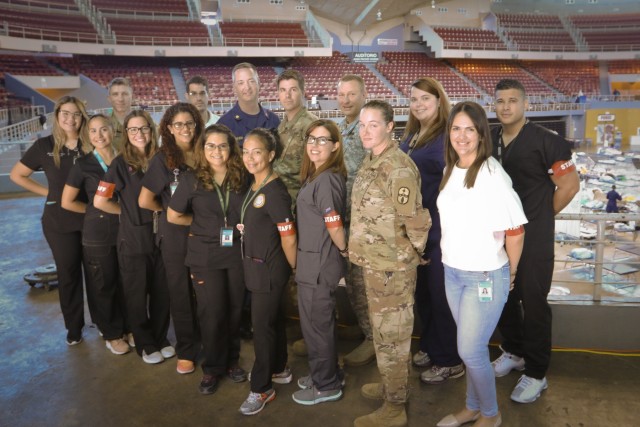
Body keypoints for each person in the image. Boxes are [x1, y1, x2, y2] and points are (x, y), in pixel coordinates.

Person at [436, 101, 527, 427]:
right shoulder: (451, 168)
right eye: (456, 128)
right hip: (453, 272)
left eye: (469, 129)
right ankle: (472, 406)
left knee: (471, 351)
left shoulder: (491, 174)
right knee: (469, 350)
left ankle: (491, 414)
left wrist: (511, 272)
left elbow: (515, 232)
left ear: (480, 134)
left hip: (485, 276)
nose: (462, 136)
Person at [491, 79, 579, 403]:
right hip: (500, 237)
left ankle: (537, 372)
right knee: (504, 297)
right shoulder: (490, 139)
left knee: (534, 301)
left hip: (535, 238)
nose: (506, 106)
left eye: (512, 100)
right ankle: (514, 352)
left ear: (525, 104)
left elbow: (569, 186)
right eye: (500, 100)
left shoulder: (547, 141)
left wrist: (541, 217)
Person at [350, 100, 431, 427]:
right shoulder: (373, 160)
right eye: (362, 124)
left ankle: (395, 407)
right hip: (376, 265)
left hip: (392, 270)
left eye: (373, 124)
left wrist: (410, 255)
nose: (366, 131)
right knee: (386, 336)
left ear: (388, 127)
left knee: (392, 339)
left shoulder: (396, 167)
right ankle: (391, 386)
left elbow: (415, 220)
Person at [167, 124, 248, 394]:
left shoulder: (242, 176)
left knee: (235, 309)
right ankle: (213, 367)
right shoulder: (192, 179)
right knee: (212, 312)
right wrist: (200, 224)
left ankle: (232, 362)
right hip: (205, 256)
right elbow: (173, 215)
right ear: (203, 149)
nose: (217, 150)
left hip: (235, 253)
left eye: (222, 145)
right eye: (211, 145)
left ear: (231, 148)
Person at [93, 110, 172, 365]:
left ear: (152, 130)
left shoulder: (164, 159)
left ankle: (161, 338)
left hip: (163, 236)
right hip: (134, 239)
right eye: (133, 129)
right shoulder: (118, 164)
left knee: (163, 292)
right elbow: (100, 201)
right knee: (137, 295)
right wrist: (126, 213)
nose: (139, 134)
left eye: (144, 128)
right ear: (126, 133)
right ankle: (146, 344)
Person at [399, 77, 464, 385]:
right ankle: (430, 345)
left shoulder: (445, 137)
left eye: (426, 98)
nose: (419, 104)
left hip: (440, 229)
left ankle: (450, 360)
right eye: (414, 99)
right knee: (422, 294)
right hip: (416, 231)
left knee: (440, 297)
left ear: (439, 101)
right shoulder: (412, 134)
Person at [10, 96, 89, 346]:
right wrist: (49, 193)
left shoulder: (90, 144)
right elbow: (17, 175)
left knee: (99, 274)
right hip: (59, 222)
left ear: (82, 117)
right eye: (66, 113)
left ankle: (106, 323)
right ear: (57, 115)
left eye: (76, 114)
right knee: (69, 274)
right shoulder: (45, 145)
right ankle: (74, 328)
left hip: (91, 217)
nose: (70, 118)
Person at [139, 103, 203, 375]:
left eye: (189, 123)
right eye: (178, 124)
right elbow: (145, 200)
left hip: (205, 235)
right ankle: (187, 349)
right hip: (176, 236)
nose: (185, 129)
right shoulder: (163, 159)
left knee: (208, 293)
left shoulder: (206, 153)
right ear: (168, 128)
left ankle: (212, 343)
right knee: (180, 294)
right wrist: (173, 214)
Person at [237, 128, 296, 416]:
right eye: (246, 151)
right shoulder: (256, 184)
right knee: (272, 322)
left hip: (270, 272)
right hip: (258, 267)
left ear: (271, 155)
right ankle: (280, 368)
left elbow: (289, 236)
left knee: (261, 329)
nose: (249, 157)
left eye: (256, 151)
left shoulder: (275, 192)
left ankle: (261, 388)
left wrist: (293, 267)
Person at [61, 114, 129, 355]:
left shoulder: (125, 159)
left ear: (114, 131)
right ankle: (112, 333)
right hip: (98, 234)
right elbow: (67, 202)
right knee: (104, 285)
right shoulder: (84, 164)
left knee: (126, 283)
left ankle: (127, 326)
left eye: (104, 130)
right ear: (87, 135)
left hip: (125, 230)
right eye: (93, 131)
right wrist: (94, 210)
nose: (99, 136)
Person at [292, 120, 347, 406]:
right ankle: (326, 374)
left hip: (319, 265)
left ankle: (326, 386)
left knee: (317, 326)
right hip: (312, 262)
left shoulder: (326, 179)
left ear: (336, 146)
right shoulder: (316, 175)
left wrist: (344, 250)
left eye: (323, 140)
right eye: (311, 139)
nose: (315, 145)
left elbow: (335, 224)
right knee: (319, 324)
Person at [336, 74, 372, 367]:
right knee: (351, 282)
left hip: (362, 221)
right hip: (345, 220)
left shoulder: (366, 130)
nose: (346, 100)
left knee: (362, 284)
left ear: (363, 95)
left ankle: (373, 339)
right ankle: (363, 330)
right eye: (342, 95)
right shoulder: (342, 128)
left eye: (352, 94)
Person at [273, 69, 319, 204]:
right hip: (282, 200)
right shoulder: (281, 125)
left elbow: (318, 170)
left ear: (303, 92)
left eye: (293, 90)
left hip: (302, 202)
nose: (287, 95)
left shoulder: (313, 125)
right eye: (282, 90)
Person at [218, 62, 280, 146]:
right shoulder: (224, 125)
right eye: (241, 83)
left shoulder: (274, 120)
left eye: (251, 81)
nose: (247, 87)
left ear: (259, 83)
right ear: (234, 88)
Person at [106, 77, 133, 147]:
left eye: (125, 94)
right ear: (109, 99)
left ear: (132, 97)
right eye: (115, 94)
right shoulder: (103, 125)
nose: (120, 99)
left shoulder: (146, 123)